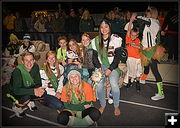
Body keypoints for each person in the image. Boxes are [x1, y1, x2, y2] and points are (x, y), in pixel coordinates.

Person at [89, 19, 125, 116]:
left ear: (109, 27)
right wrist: (98, 67)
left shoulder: (116, 39)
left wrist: (110, 69)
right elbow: (94, 57)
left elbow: (117, 57)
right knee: (99, 86)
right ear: (99, 29)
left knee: (114, 85)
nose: (104, 29)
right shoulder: (95, 40)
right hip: (101, 66)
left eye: (106, 27)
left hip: (112, 66)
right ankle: (102, 104)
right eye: (101, 27)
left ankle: (116, 105)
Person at [136, 6, 165, 100]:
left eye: (148, 12)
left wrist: (134, 16)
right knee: (146, 65)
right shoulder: (152, 22)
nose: (146, 14)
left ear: (152, 13)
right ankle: (143, 79)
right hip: (146, 49)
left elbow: (140, 18)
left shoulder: (152, 22)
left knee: (155, 71)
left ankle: (161, 93)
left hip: (151, 51)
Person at [8, 52, 45, 117]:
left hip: (27, 87)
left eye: (31, 60)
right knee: (26, 97)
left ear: (34, 61)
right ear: (22, 61)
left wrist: (38, 90)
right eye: (26, 60)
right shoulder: (18, 71)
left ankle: (29, 101)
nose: (29, 63)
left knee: (43, 92)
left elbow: (38, 82)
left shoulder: (35, 66)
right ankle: (16, 106)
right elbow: (17, 90)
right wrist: (33, 91)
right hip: (14, 92)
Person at [125, 13, 142, 92]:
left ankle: (138, 83)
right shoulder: (128, 38)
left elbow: (141, 48)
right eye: (132, 35)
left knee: (138, 71)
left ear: (137, 35)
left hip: (137, 58)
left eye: (135, 35)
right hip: (129, 58)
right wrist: (131, 20)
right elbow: (129, 29)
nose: (133, 37)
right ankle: (129, 82)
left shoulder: (138, 40)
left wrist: (135, 45)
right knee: (130, 70)